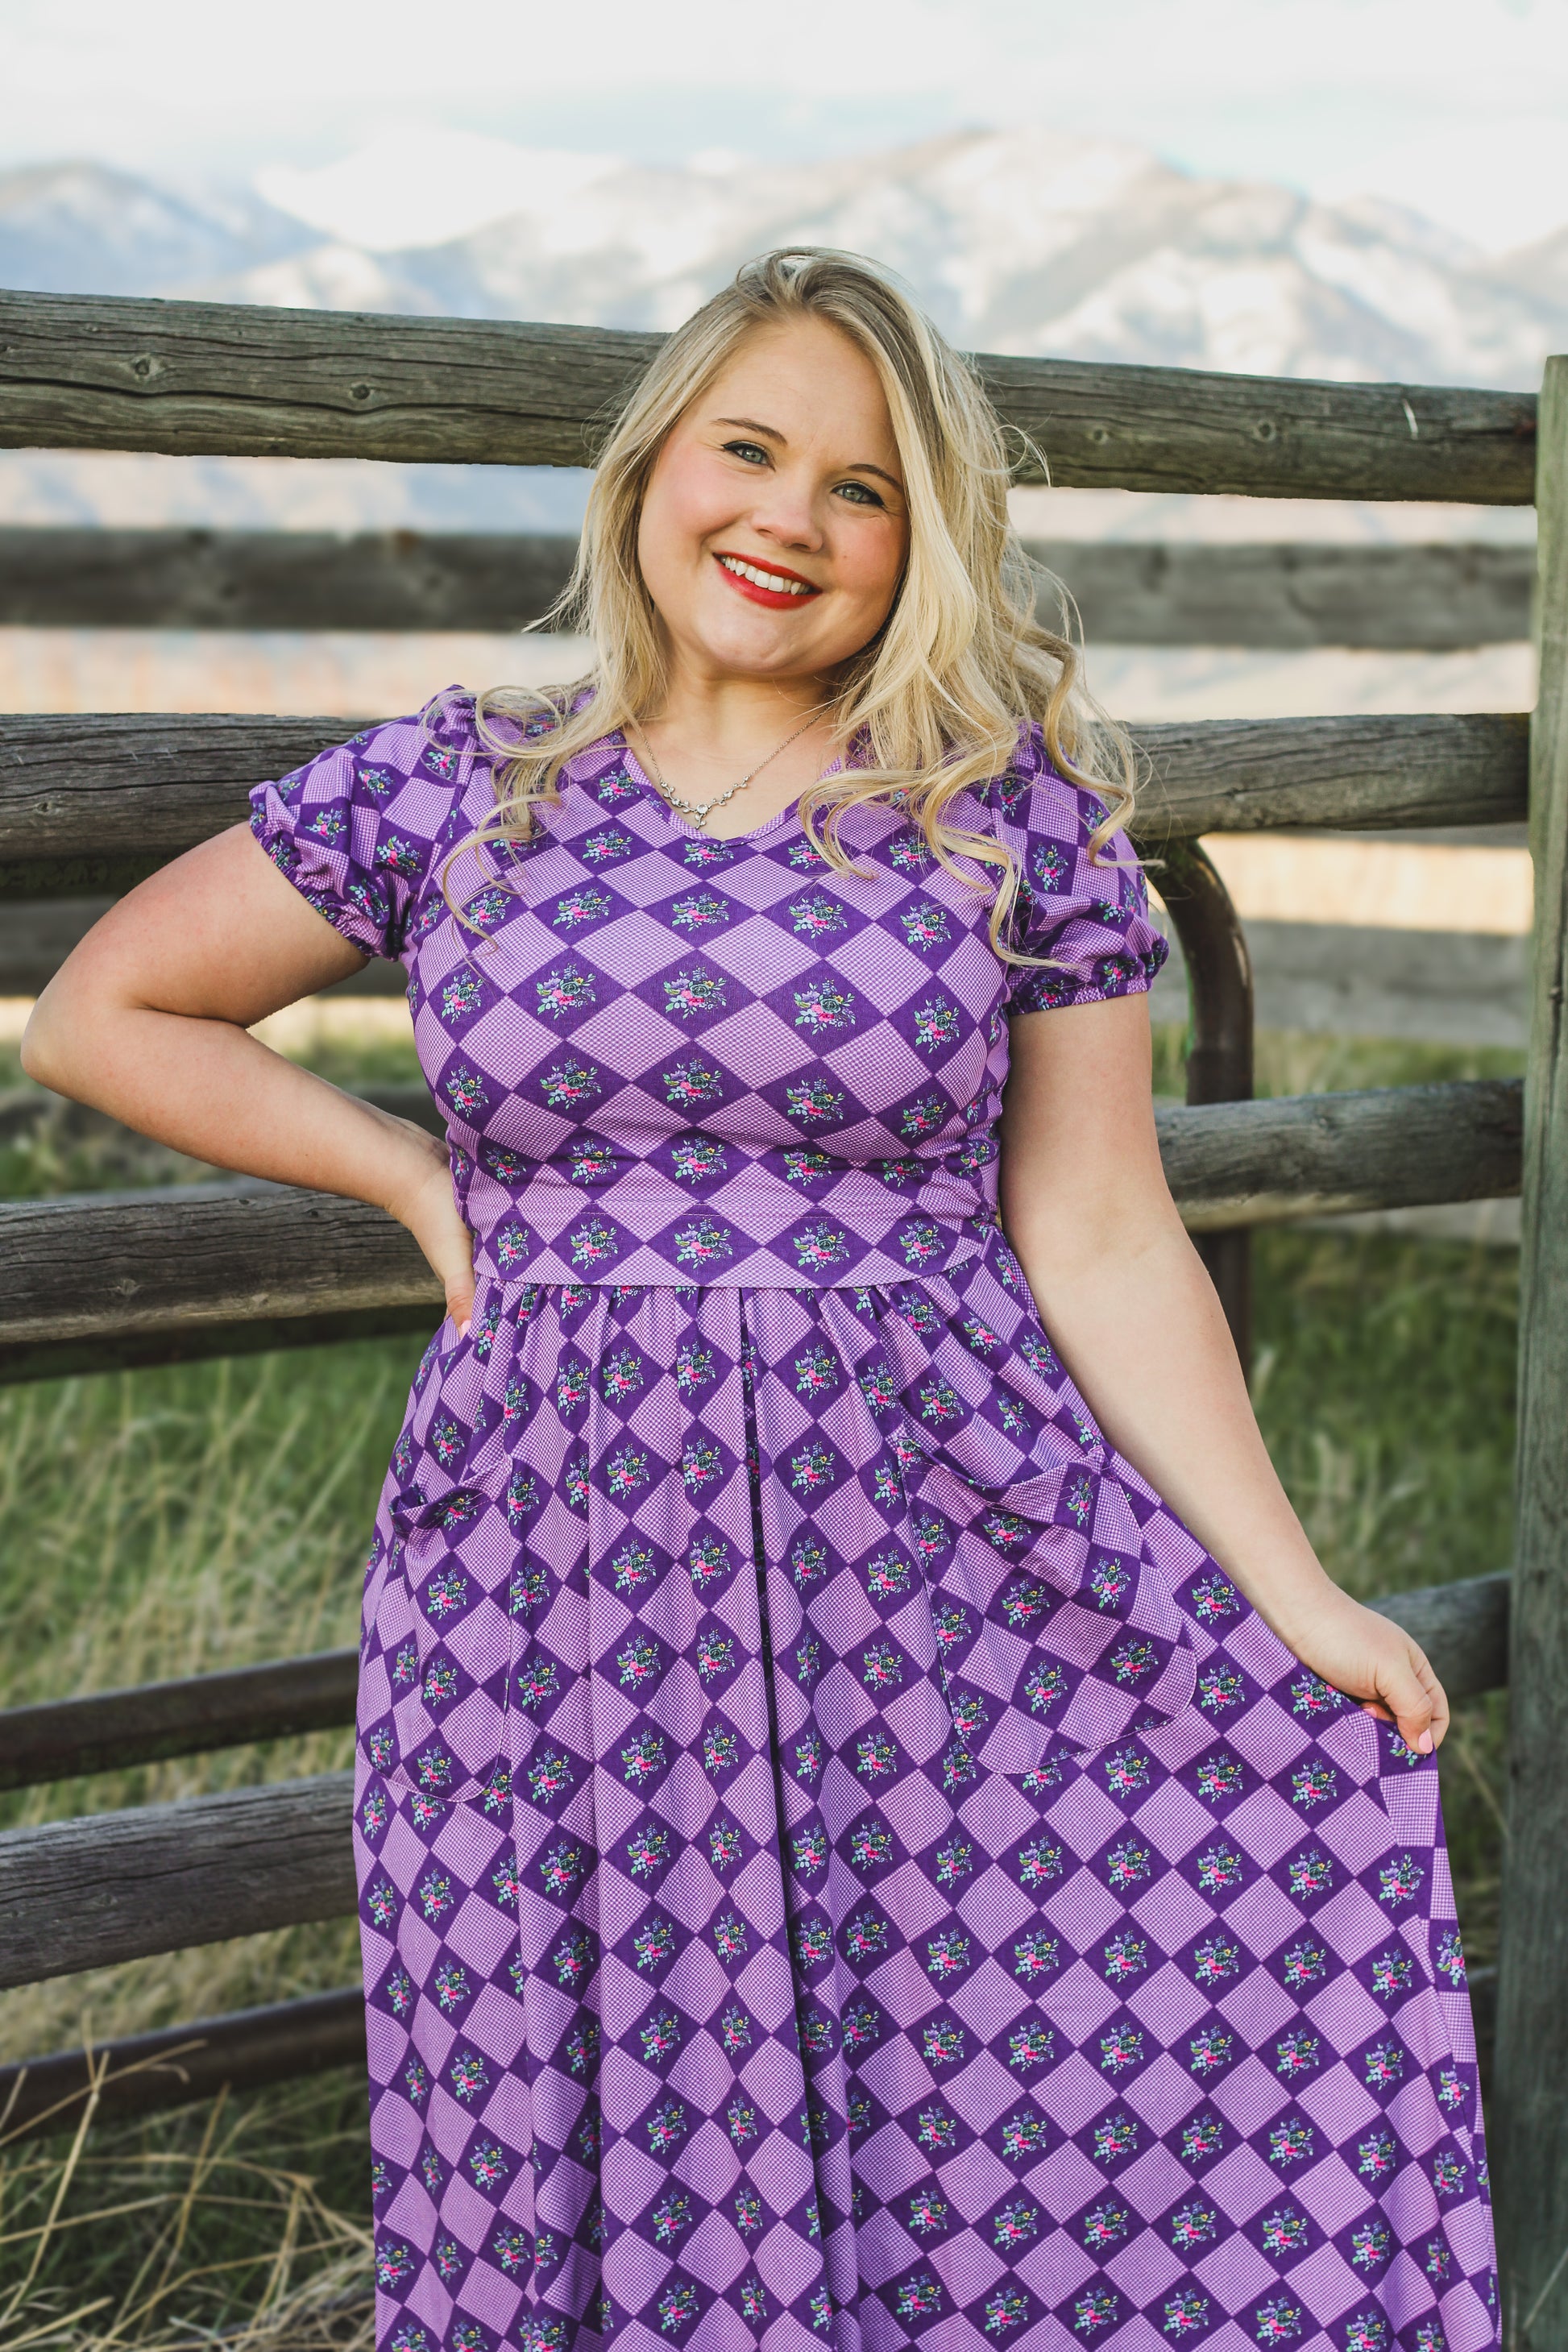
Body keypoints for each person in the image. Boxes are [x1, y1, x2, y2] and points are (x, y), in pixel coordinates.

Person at [22, 247, 1496, 2352]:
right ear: (648, 475)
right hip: (546, 1579)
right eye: (747, 450)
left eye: (864, 488)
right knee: (546, 2099)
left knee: (950, 2092)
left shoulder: (1003, 816)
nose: (789, 519)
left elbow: (1094, 1229)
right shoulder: (465, 777)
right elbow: (104, 1011)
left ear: (919, 548)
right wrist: (414, 1182)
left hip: (925, 1563)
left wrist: (1291, 1595)